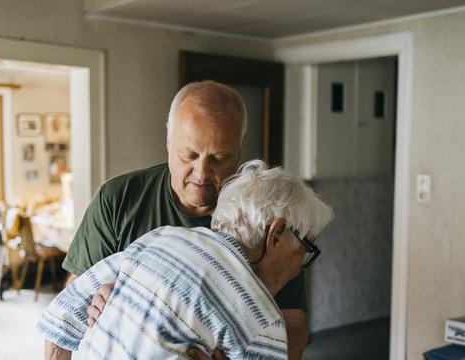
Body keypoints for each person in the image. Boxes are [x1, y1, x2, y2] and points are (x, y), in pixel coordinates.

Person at [47, 81, 310, 359]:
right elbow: (69, 307)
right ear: (169, 141)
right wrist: (100, 298)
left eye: (220, 158)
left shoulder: (263, 214)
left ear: (239, 150)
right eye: (190, 155)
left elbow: (294, 326)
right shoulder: (119, 198)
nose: (201, 173)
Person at [38, 160, 333, 359]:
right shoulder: (260, 319)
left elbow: (61, 312)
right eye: (306, 247)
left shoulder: (159, 238)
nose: (301, 263)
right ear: (277, 234)